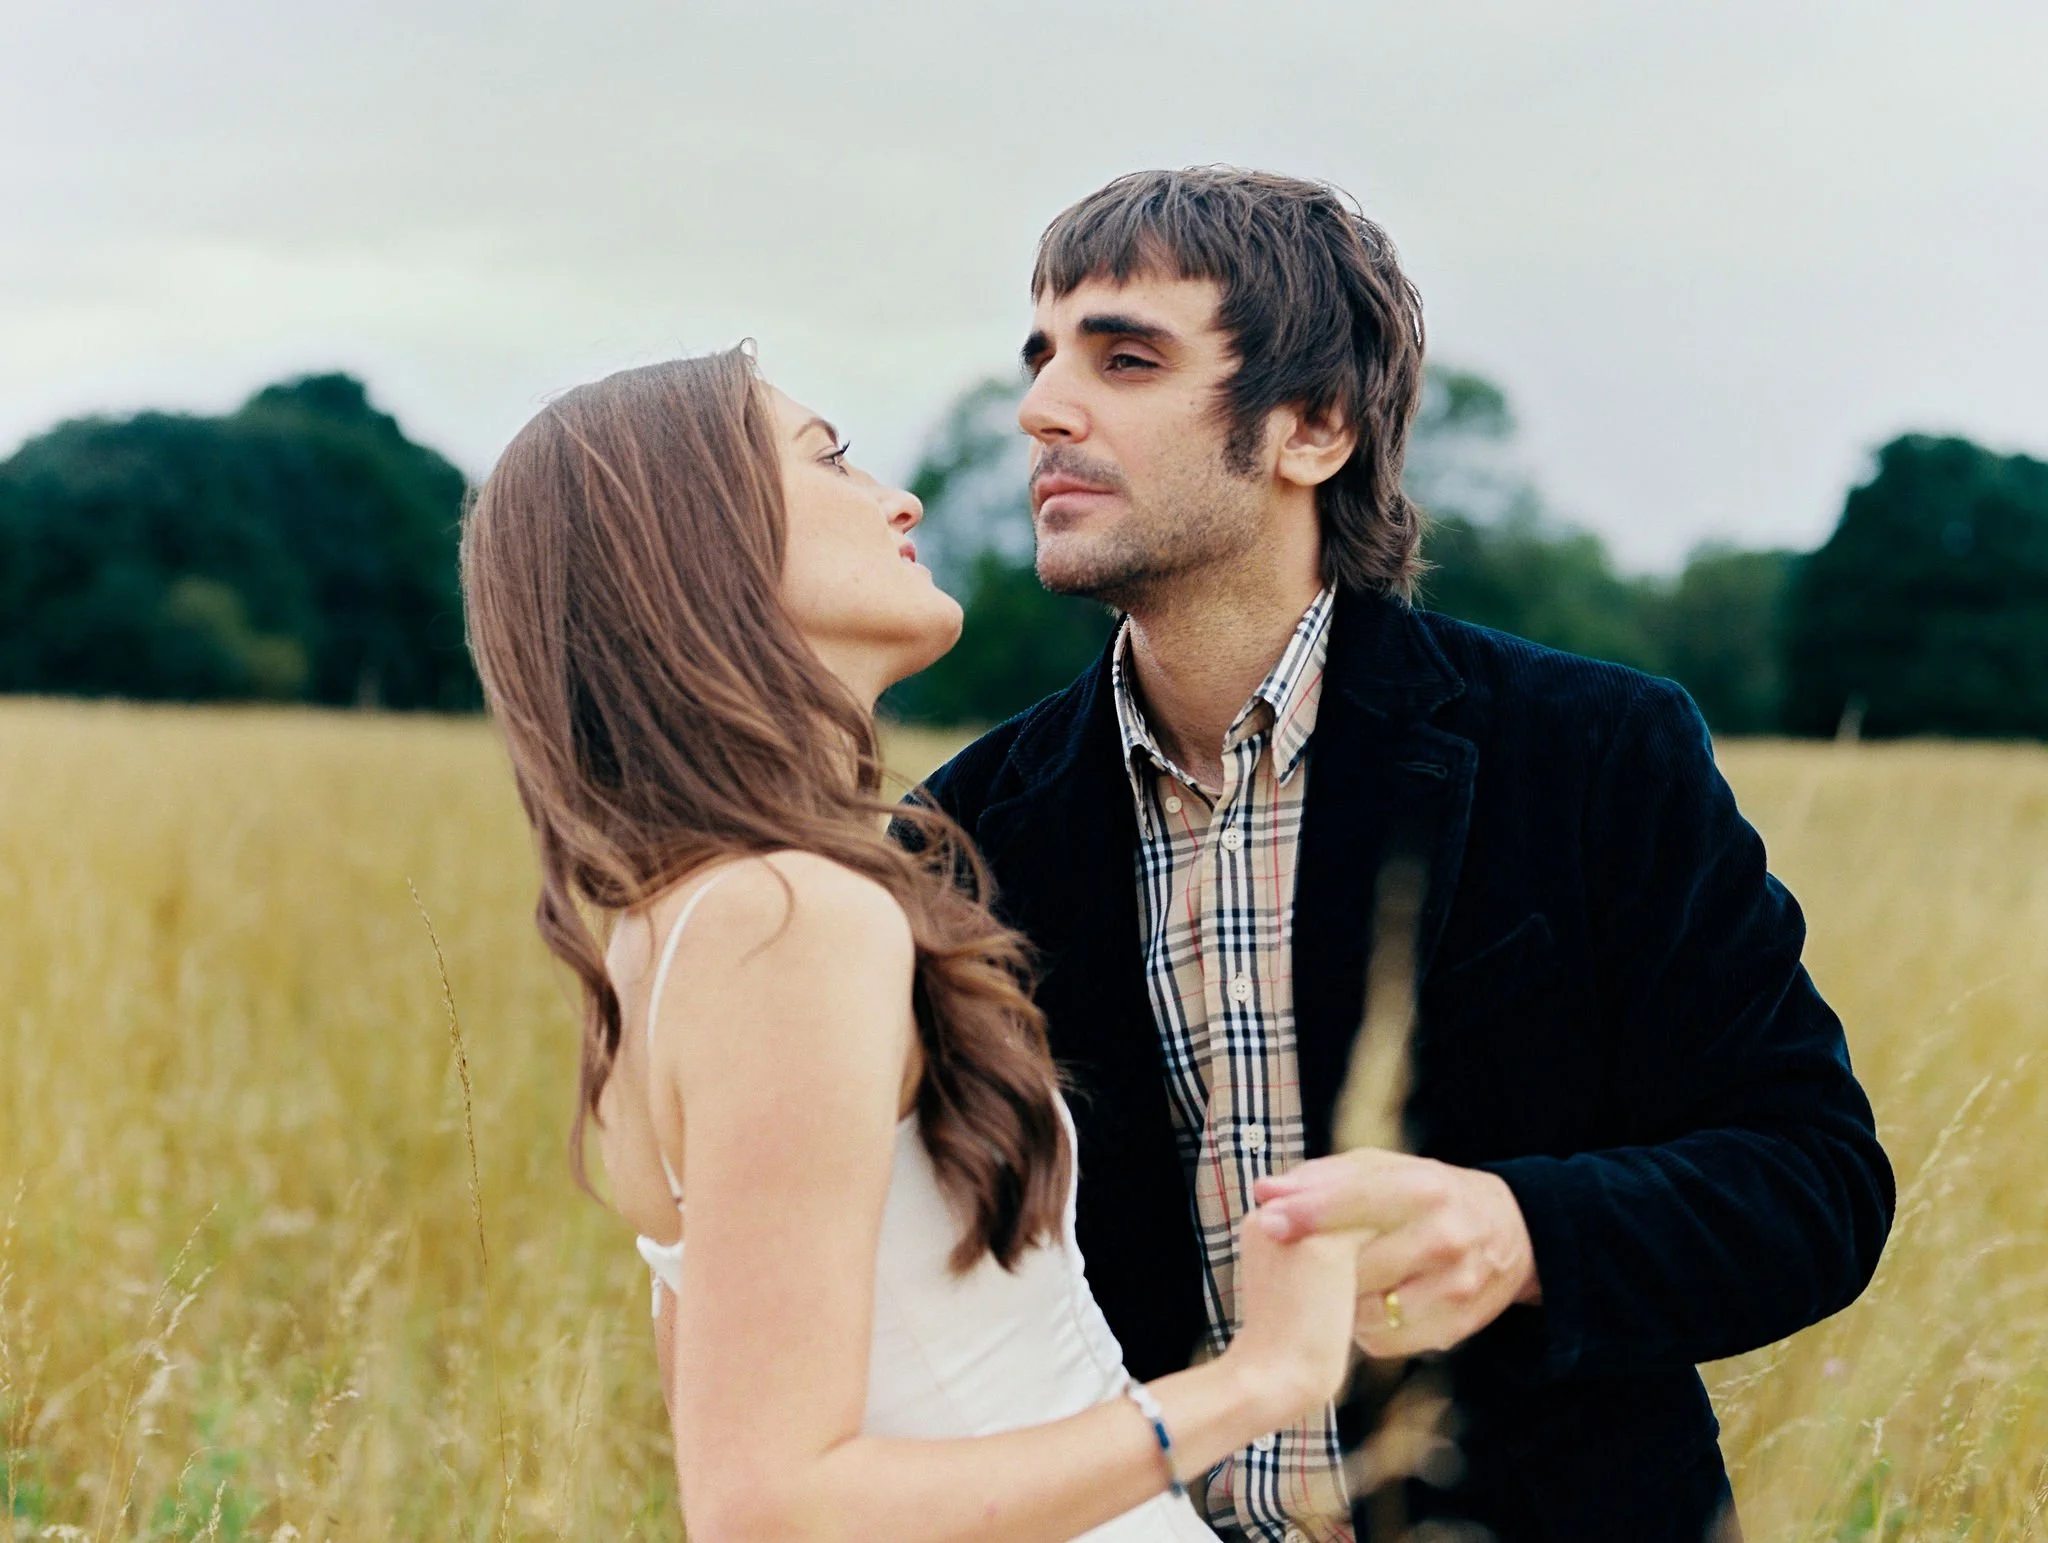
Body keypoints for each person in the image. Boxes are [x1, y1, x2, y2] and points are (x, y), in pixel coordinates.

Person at [916, 168, 1896, 1543]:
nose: (1042, 408)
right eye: (1041, 357)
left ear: (1312, 425)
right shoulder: (959, 833)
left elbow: (1816, 1182)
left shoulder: (1590, 748)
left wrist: (1521, 1225)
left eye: (1125, 357)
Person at [458, 348, 1367, 1543]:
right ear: (696, 540)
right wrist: (1259, 1379)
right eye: (827, 458)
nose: (899, 497)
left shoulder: (669, 927)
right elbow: (768, 1505)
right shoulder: (792, 918)